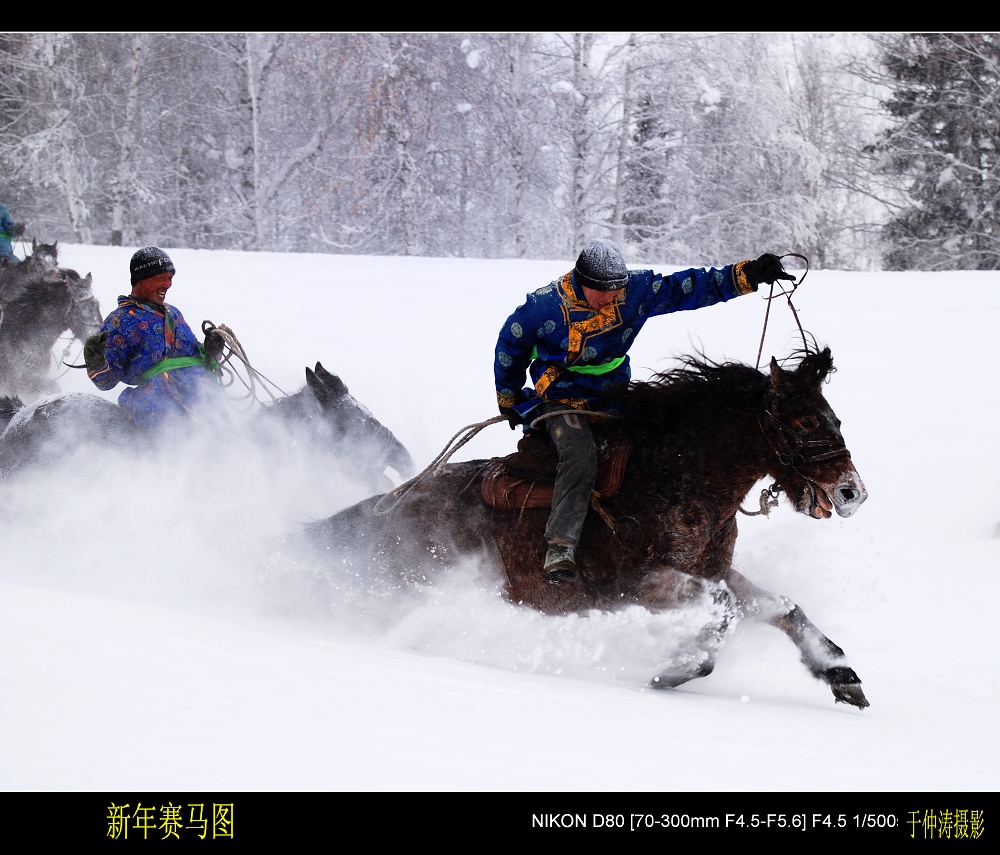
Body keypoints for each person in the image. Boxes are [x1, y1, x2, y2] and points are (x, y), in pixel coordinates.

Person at [494, 238, 795, 584]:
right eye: (602, 293)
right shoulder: (541, 309)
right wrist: (509, 398)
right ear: (581, 283)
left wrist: (747, 276)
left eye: (616, 290)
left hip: (615, 393)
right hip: (562, 400)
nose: (611, 299)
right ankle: (561, 544)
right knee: (580, 455)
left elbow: (687, 288)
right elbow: (510, 346)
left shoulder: (634, 291)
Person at [84, 246, 226, 428]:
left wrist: (211, 351)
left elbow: (194, 356)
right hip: (158, 406)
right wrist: (96, 362)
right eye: (161, 278)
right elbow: (106, 382)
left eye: (170, 278)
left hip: (204, 397)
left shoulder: (173, 312)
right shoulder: (120, 320)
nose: (168, 284)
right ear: (140, 280)